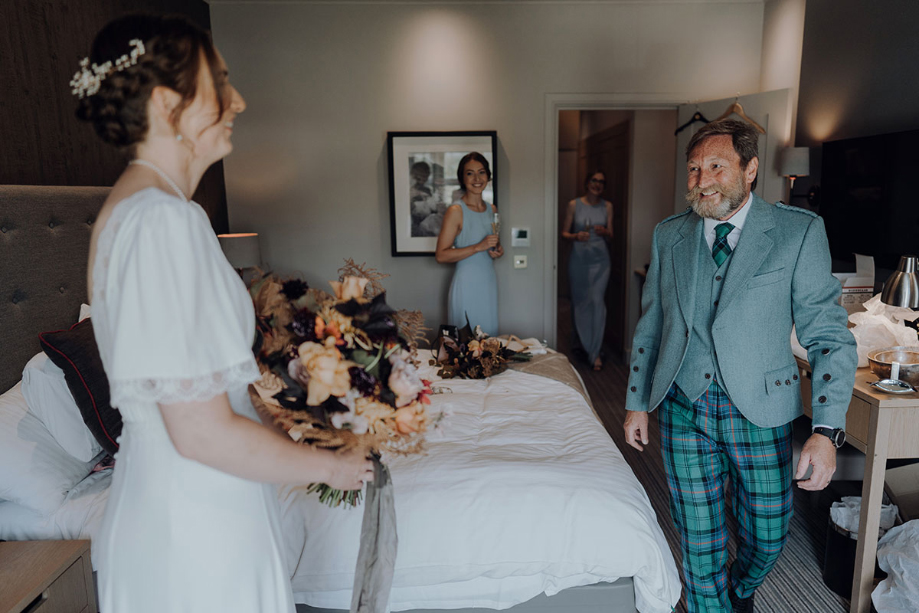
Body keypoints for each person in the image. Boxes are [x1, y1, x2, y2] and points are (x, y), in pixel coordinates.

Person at [75, 14, 373, 612]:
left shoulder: (145, 211)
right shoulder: (160, 221)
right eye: (221, 83)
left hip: (191, 507)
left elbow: (204, 398)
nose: (237, 100)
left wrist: (293, 432)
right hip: (195, 527)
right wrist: (332, 470)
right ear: (167, 104)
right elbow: (200, 431)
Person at [622, 119, 857, 613]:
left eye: (715, 166)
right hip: (684, 406)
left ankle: (740, 591)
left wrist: (826, 429)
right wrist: (637, 402)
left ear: (750, 170)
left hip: (762, 408)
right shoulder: (670, 236)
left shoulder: (798, 231)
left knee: (768, 537)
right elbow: (651, 326)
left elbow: (829, 335)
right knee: (698, 542)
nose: (701, 179)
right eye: (693, 168)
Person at [435, 152, 503, 336]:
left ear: (488, 176)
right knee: (465, 347)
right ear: (462, 178)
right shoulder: (456, 211)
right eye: (470, 173)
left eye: (481, 172)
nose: (477, 178)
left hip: (488, 283)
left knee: (490, 344)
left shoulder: (492, 209)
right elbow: (441, 255)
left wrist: (496, 250)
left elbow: (494, 245)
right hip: (466, 285)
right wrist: (477, 247)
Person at [561, 171, 613, 370]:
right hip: (579, 259)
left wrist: (605, 232)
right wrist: (575, 236)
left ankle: (595, 351)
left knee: (597, 302)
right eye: (594, 180)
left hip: (601, 261)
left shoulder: (608, 206)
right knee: (581, 302)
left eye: (601, 182)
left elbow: (611, 235)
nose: (597, 184)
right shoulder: (574, 205)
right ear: (587, 182)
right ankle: (582, 344)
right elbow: (564, 233)